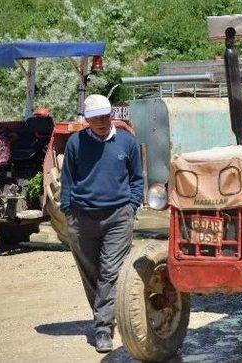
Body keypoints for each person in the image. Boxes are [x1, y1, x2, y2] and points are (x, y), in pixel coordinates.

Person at [60, 94, 143, 353]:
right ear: (87, 119)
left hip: (118, 217)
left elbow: (137, 178)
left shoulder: (127, 143)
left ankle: (103, 328)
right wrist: (67, 209)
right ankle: (105, 314)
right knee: (91, 274)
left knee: (110, 272)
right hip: (82, 218)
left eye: (105, 116)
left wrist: (132, 206)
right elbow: (67, 180)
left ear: (111, 115)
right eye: (95, 117)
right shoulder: (75, 143)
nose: (101, 121)